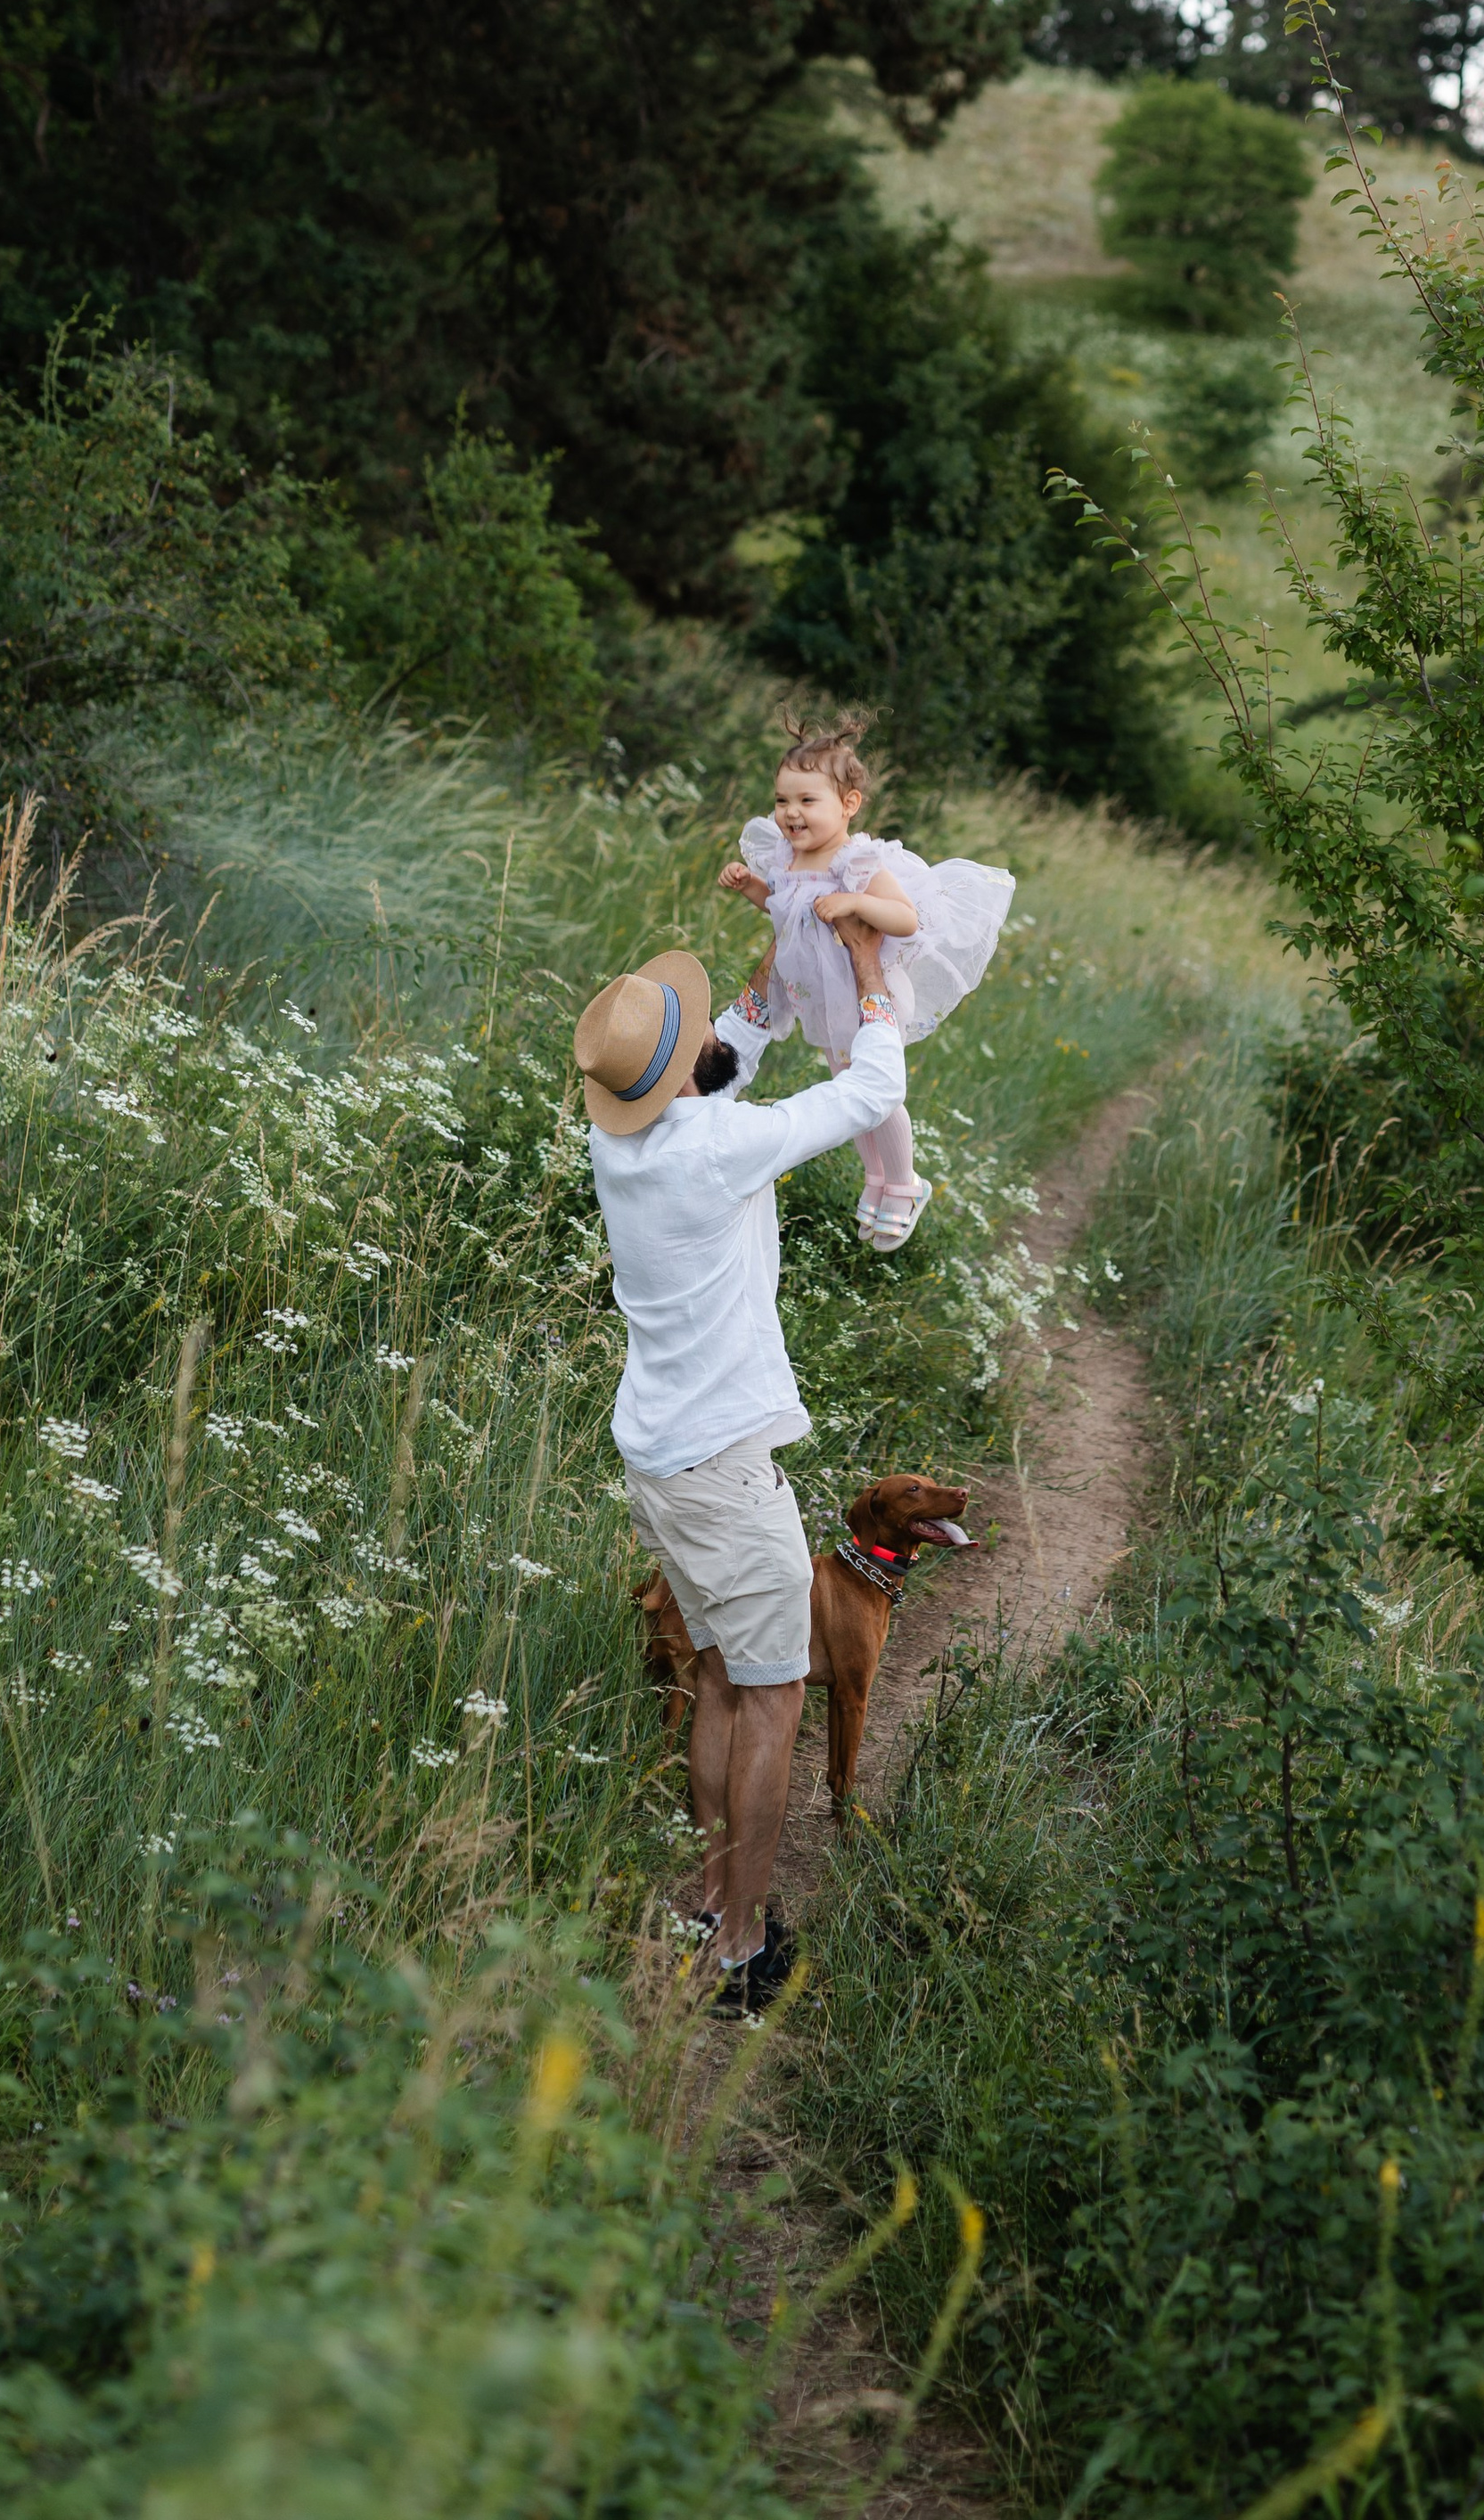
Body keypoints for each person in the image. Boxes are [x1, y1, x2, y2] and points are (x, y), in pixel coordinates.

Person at [576, 916, 908, 2014]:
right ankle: (740, 1950)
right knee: (770, 1698)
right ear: (681, 1075)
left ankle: (714, 1903)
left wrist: (778, 961)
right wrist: (865, 973)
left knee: (720, 1676)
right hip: (721, 1469)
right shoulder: (716, 1146)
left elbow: (721, 1055)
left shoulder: (618, 1144)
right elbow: (864, 1098)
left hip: (661, 1462)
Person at [717, 708, 1014, 1251]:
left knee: (878, 1091)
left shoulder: (857, 863)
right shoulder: (787, 859)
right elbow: (785, 911)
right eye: (783, 800)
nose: (790, 813)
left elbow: (906, 919)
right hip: (824, 1000)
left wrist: (857, 900)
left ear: (848, 805)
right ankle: (875, 1178)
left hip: (869, 995)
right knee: (848, 1092)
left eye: (808, 801)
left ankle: (905, 1183)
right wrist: (752, 889)